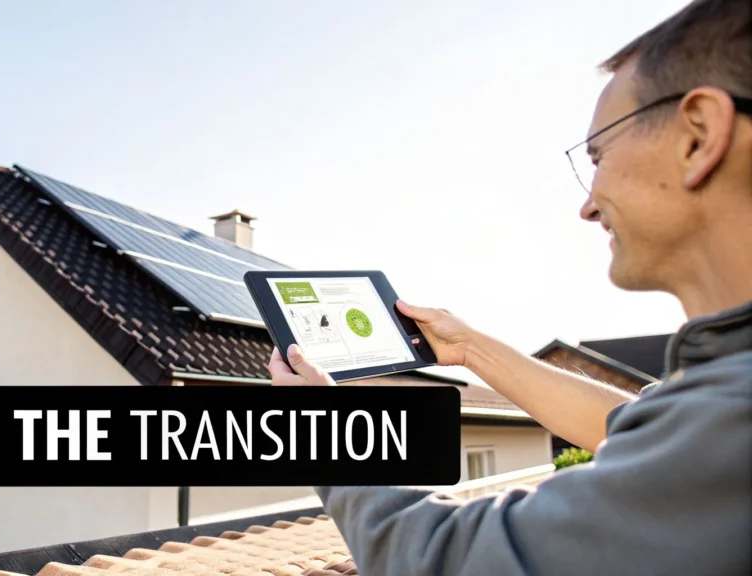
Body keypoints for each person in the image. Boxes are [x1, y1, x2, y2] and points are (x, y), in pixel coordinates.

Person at [268, 0, 751, 574]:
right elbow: (636, 426)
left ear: (698, 135)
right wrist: (471, 348)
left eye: (597, 156)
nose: (588, 205)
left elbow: (446, 559)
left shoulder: (734, 414)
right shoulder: (721, 412)